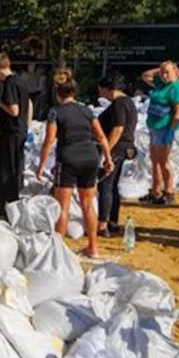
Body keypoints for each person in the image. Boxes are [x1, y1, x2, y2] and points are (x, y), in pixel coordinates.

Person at [36, 70, 115, 258]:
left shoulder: (55, 112)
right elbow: (101, 136)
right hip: (90, 158)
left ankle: (59, 249)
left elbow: (49, 140)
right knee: (88, 203)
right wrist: (108, 159)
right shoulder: (87, 111)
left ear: (57, 93)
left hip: (68, 158)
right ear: (74, 92)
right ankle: (93, 247)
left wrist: (41, 164)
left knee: (62, 205)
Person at [96, 75, 138, 236]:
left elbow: (118, 129)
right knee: (112, 185)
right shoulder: (129, 102)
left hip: (116, 148)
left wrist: (106, 150)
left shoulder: (119, 104)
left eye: (102, 90)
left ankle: (103, 224)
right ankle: (113, 221)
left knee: (105, 185)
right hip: (125, 148)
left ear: (109, 89)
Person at [0, 53, 30, 213]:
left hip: (10, 131)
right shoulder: (20, 81)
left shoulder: (9, 83)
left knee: (7, 167)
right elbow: (28, 104)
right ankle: (12, 200)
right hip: (19, 129)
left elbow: (14, 110)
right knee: (15, 165)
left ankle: (6, 203)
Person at [143, 60, 179, 205]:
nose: (164, 75)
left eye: (167, 72)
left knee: (164, 162)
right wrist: (161, 69)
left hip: (164, 129)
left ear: (175, 71)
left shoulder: (177, 88)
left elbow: (178, 113)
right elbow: (145, 76)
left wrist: (171, 132)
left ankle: (169, 191)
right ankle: (156, 190)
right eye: (162, 72)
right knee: (155, 161)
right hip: (154, 127)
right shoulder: (161, 83)